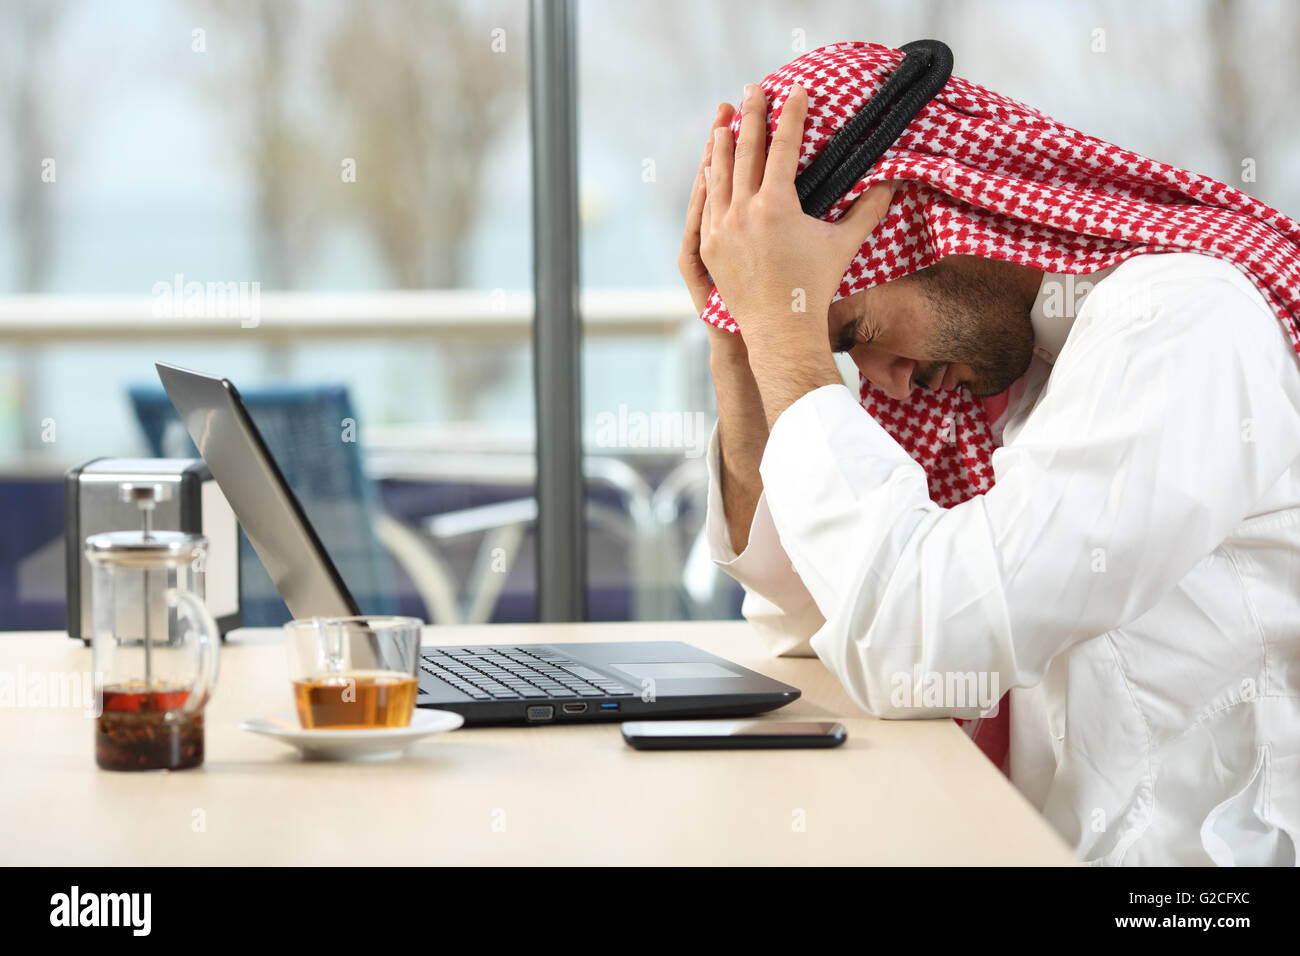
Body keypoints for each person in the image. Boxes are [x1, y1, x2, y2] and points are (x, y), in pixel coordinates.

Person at [678, 41, 1300, 866]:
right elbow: (818, 620)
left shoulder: (1183, 328)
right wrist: (744, 343)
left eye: (853, 334)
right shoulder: (1018, 365)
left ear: (924, 210)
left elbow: (917, 645)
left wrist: (787, 338)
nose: (888, 390)